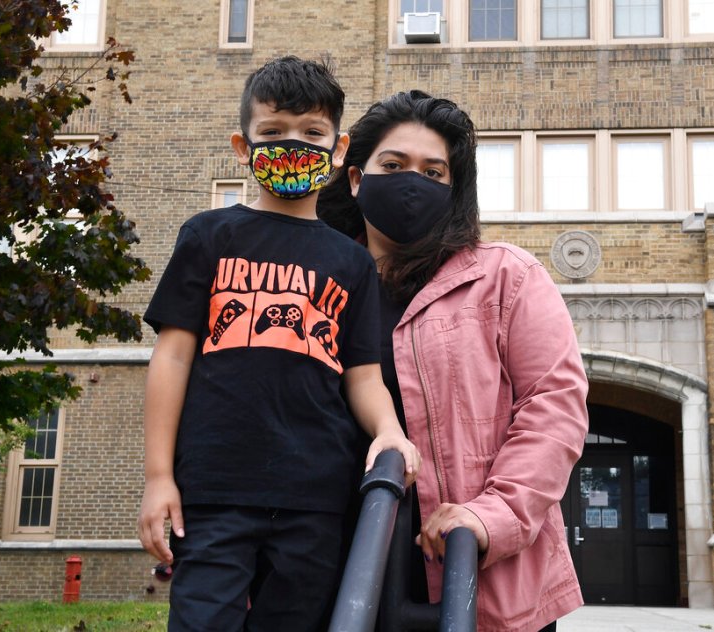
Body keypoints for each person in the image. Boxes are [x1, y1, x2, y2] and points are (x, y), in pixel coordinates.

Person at [136, 56, 420, 632]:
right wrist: (157, 476)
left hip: (316, 495)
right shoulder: (208, 234)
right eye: (273, 132)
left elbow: (362, 376)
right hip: (214, 489)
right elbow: (172, 355)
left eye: (312, 133)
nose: (293, 144)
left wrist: (390, 431)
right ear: (243, 147)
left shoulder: (351, 263)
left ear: (338, 151)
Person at [319, 90, 590, 632]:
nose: (411, 182)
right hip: (328, 565)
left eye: (433, 172)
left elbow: (553, 408)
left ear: (454, 188)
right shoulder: (314, 283)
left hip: (479, 575)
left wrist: (491, 517)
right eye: (393, 166)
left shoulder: (507, 278)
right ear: (355, 178)